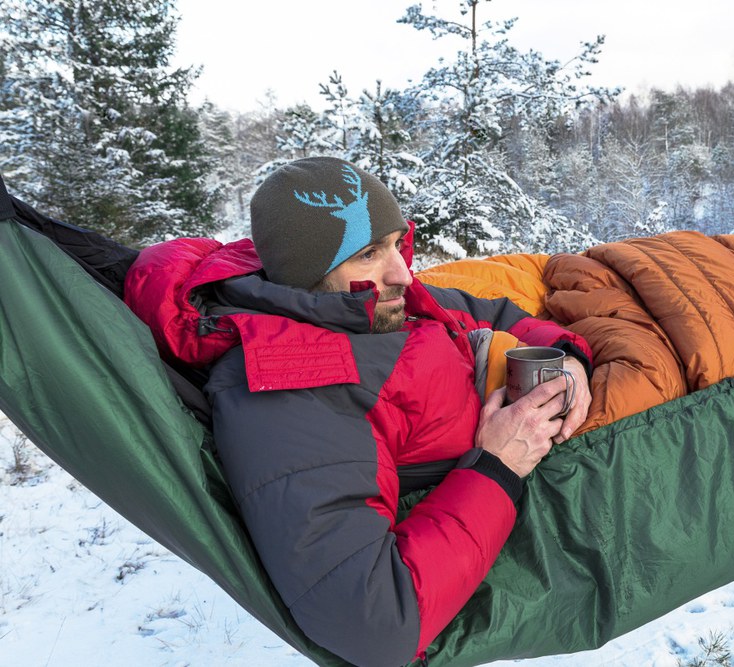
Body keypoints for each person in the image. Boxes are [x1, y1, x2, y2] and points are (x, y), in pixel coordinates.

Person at [128, 157, 592, 667]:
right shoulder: (288, 383)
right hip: (508, 505)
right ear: (304, 273)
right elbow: (376, 621)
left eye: (396, 243)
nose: (402, 273)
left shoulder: (371, 304)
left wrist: (570, 355)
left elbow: (491, 312)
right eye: (368, 253)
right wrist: (499, 464)